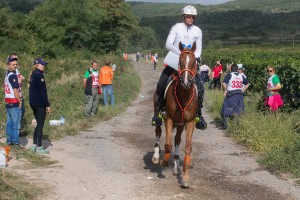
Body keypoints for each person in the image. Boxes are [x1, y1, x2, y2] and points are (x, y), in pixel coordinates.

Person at [152, 5, 207, 129]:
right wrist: (181, 54)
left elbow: (199, 48)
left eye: (193, 17)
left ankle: (199, 114)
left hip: (189, 63)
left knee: (201, 88)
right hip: (175, 61)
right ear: (183, 16)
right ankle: (159, 112)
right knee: (161, 83)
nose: (191, 19)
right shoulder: (176, 27)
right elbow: (168, 44)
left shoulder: (197, 30)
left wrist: (193, 57)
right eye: (188, 16)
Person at [29, 57, 51, 154]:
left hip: (33, 103)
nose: (44, 66)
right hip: (40, 104)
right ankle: (39, 147)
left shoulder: (33, 74)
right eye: (43, 64)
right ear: (37, 65)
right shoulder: (39, 76)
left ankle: (34, 145)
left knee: (37, 124)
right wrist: (47, 105)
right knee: (40, 125)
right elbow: (43, 92)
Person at [221, 64, 250, 129]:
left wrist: (225, 91)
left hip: (231, 94)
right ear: (237, 69)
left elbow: (224, 84)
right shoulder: (241, 76)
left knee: (226, 108)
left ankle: (226, 125)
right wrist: (242, 91)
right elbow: (248, 84)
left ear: (231, 69)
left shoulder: (229, 75)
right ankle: (236, 125)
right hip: (239, 94)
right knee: (238, 110)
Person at [4, 56, 22, 146]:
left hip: (8, 102)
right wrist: (20, 101)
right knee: (15, 123)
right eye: (13, 64)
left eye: (16, 64)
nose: (15, 66)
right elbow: (15, 90)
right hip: (14, 102)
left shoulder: (6, 75)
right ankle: (15, 142)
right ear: (8, 65)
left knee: (9, 123)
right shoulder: (13, 76)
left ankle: (9, 140)